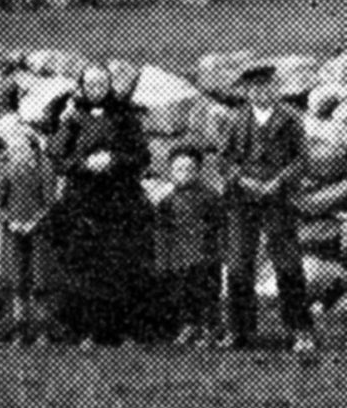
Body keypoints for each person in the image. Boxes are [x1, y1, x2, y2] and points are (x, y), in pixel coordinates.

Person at [46, 64, 154, 346]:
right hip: (82, 200)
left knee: (120, 264)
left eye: (101, 83)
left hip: (120, 199)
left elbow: (142, 156)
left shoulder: (125, 115)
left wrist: (114, 160)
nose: (96, 89)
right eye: (90, 84)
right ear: (82, 86)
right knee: (84, 266)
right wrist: (84, 164)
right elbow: (56, 156)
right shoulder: (72, 117)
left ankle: (122, 330)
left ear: (109, 85)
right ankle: (86, 331)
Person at [216, 60, 314, 353]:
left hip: (278, 200)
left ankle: (301, 330)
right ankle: (239, 330)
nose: (262, 93)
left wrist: (279, 181)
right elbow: (223, 159)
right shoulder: (235, 120)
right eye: (256, 88)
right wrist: (242, 179)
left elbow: (303, 159)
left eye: (268, 86)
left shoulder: (291, 118)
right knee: (238, 264)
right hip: (241, 200)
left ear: (277, 88)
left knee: (288, 264)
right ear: (247, 91)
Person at [0, 115, 58, 344]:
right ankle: (18, 329)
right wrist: (11, 221)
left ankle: (42, 330)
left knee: (39, 279)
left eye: (23, 146)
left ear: (32, 147)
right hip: (12, 230)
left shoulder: (44, 168)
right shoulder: (6, 169)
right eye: (14, 147)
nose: (19, 151)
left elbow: (49, 202)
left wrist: (34, 221)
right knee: (17, 280)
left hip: (39, 230)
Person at [153, 145, 225, 347]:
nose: (184, 174)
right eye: (178, 169)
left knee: (208, 293)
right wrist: (163, 259)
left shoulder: (210, 197)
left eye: (189, 169)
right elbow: (162, 232)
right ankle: (188, 326)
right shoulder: (166, 201)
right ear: (170, 172)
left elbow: (220, 227)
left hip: (206, 256)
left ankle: (211, 328)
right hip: (179, 256)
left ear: (199, 171)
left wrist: (219, 253)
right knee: (183, 293)